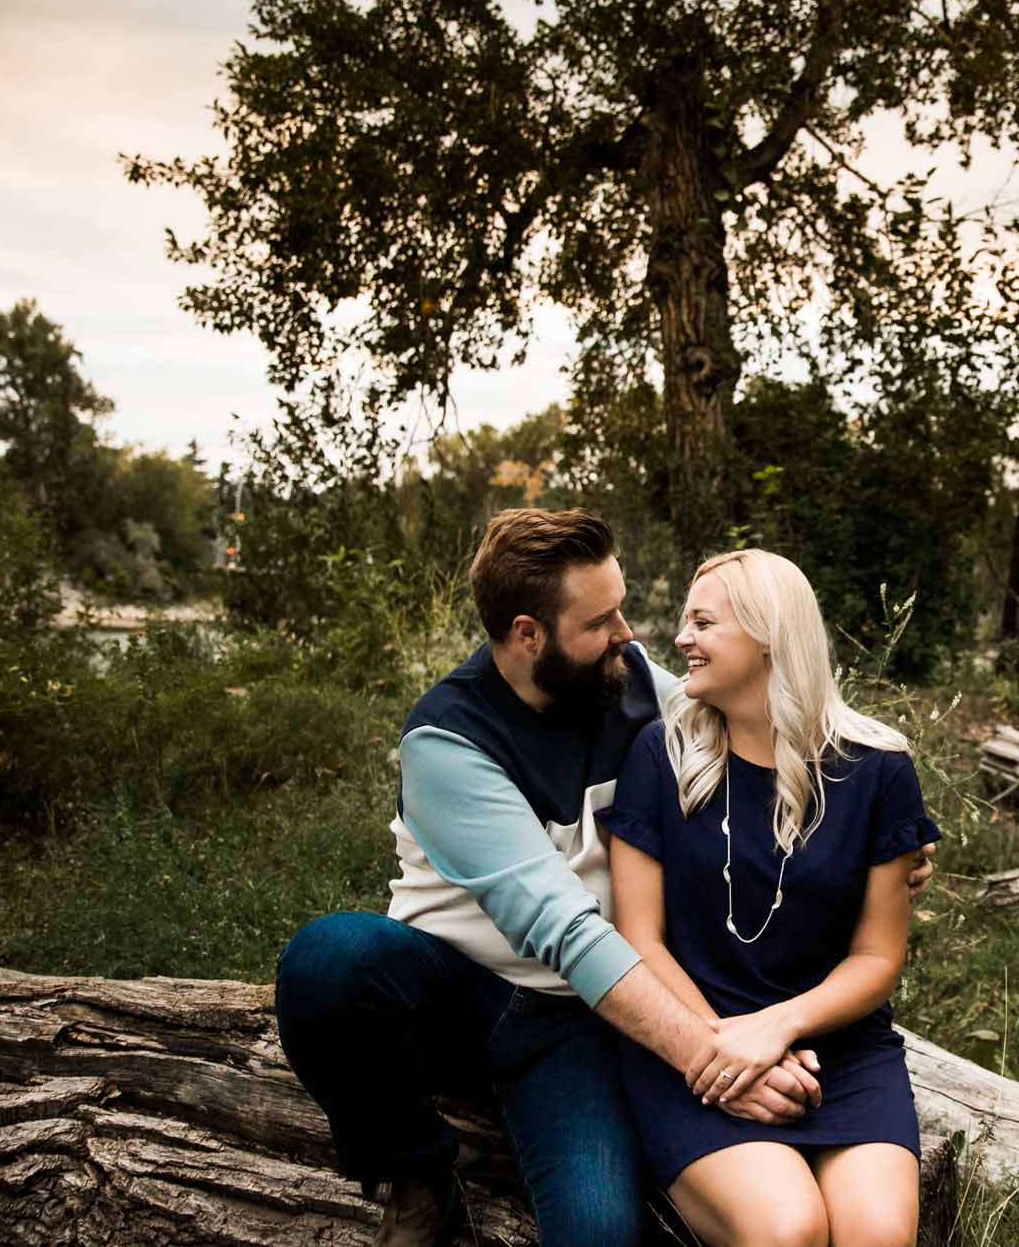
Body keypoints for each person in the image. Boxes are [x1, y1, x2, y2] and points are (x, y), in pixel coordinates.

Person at [272, 510, 933, 1247]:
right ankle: (415, 1168)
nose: (628, 631)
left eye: (621, 606)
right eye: (601, 618)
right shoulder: (448, 741)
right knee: (329, 959)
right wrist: (725, 1062)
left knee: (600, 1233)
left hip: (584, 1020)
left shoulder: (634, 683)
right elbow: (569, 931)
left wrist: (878, 830)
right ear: (530, 635)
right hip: (466, 991)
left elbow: (772, 709)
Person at [600, 549, 942, 1247]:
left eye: (703, 621)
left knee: (877, 1235)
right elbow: (639, 937)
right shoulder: (658, 756)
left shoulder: (877, 770)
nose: (681, 638)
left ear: (767, 636)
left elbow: (878, 958)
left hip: (838, 1049)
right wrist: (724, 1048)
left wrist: (778, 1027)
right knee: (788, 1228)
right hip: (690, 1040)